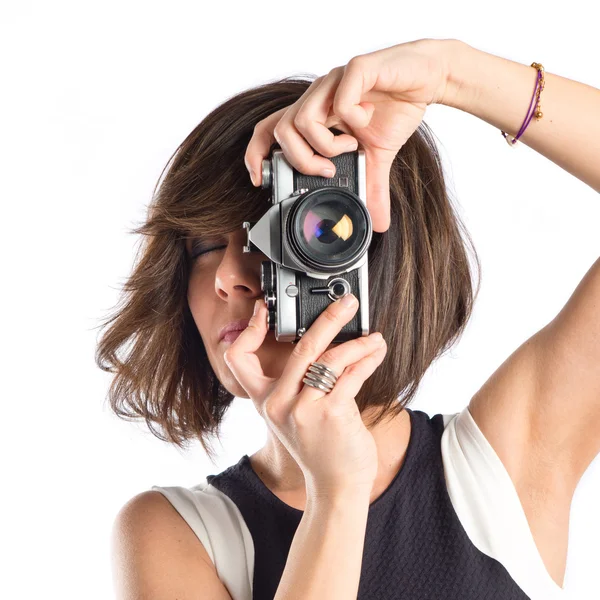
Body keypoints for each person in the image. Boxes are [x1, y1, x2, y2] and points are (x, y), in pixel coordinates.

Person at [97, 37, 600, 599]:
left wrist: (451, 74)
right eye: (204, 246)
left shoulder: (500, 470)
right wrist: (335, 494)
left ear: (369, 249)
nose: (225, 277)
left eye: (278, 232)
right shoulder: (180, 535)